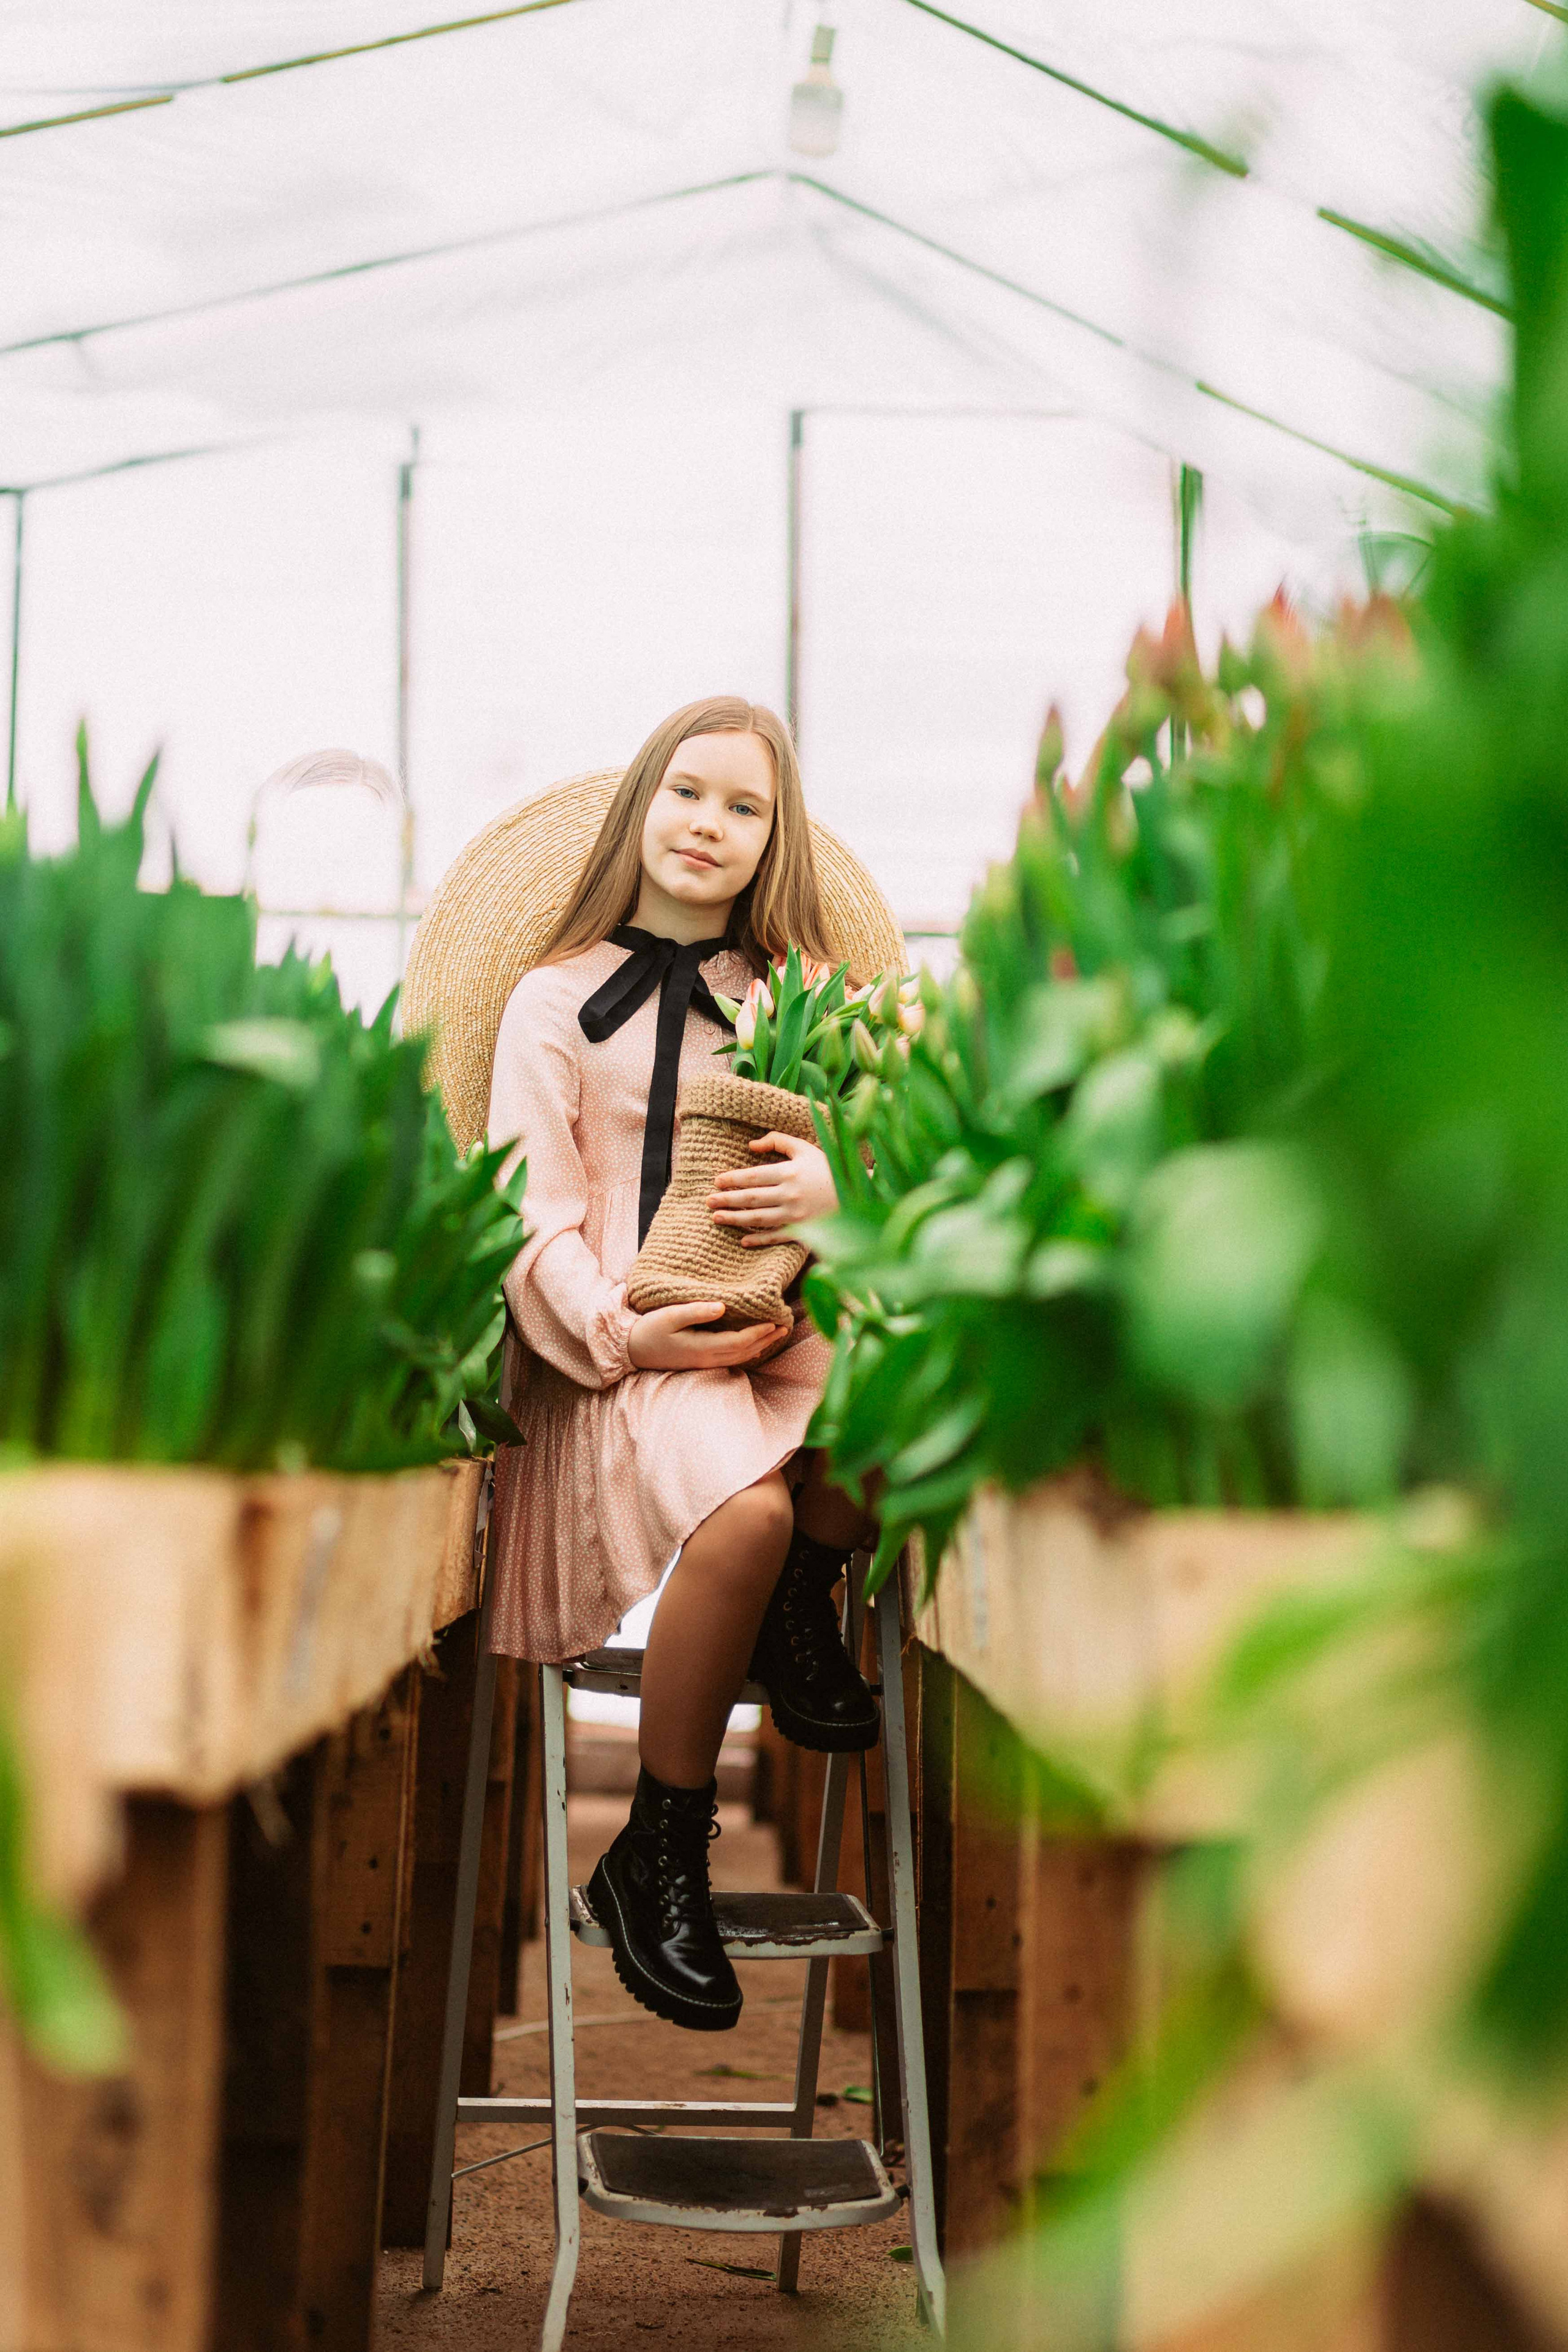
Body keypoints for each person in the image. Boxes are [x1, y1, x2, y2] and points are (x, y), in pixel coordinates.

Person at [484, 696, 887, 2032]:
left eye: (744, 806)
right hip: (621, 1346)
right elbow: (532, 1217)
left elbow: (902, 1164)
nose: (709, 824)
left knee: (907, 1395)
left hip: (767, 1317)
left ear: (774, 841)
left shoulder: (801, 1004)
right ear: (640, 808)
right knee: (748, 1512)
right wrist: (619, 1331)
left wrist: (839, 1188)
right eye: (687, 792)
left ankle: (793, 1599)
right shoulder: (552, 1001)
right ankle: (659, 1842)